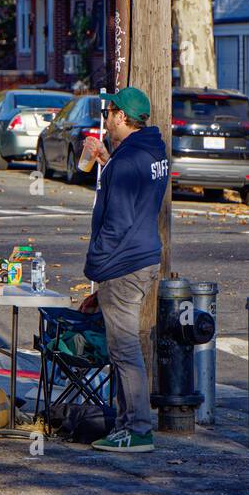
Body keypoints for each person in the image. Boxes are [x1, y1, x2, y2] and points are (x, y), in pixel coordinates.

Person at [79, 86, 168, 453]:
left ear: (120, 117)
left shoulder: (127, 161)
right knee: (127, 345)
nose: (105, 121)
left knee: (124, 348)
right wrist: (107, 162)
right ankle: (125, 424)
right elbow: (136, 189)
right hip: (145, 257)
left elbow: (117, 220)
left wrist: (96, 265)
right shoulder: (152, 151)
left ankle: (137, 427)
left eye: (108, 115)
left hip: (123, 263)